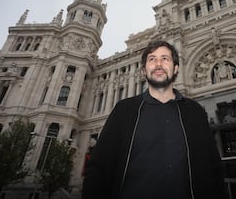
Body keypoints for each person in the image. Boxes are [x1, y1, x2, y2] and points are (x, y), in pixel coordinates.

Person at [82, 40, 224, 199]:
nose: (158, 64)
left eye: (165, 59)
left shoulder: (195, 112)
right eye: (152, 59)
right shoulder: (124, 111)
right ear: (143, 70)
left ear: (176, 68)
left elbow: (214, 168)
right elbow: (98, 169)